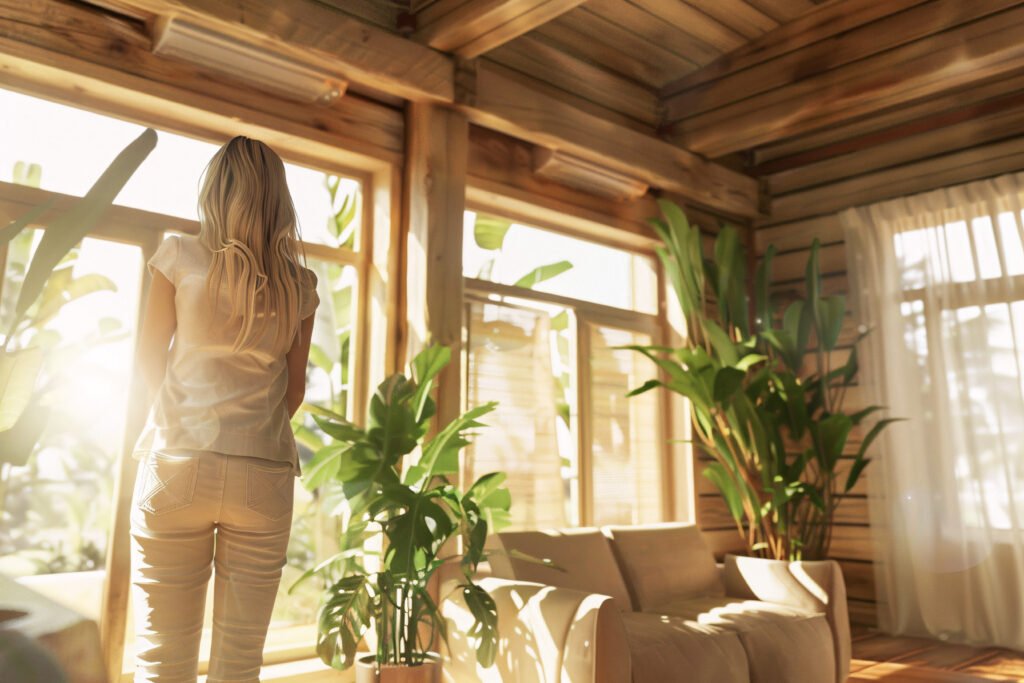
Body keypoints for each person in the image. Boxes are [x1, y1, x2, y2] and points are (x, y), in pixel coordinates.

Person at [125, 136, 318, 683]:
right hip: (265, 474)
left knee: (161, 658)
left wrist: (182, 417)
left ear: (215, 190)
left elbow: (147, 358)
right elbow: (293, 392)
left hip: (177, 461)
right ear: (278, 200)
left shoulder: (179, 254)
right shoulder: (299, 283)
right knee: (239, 664)